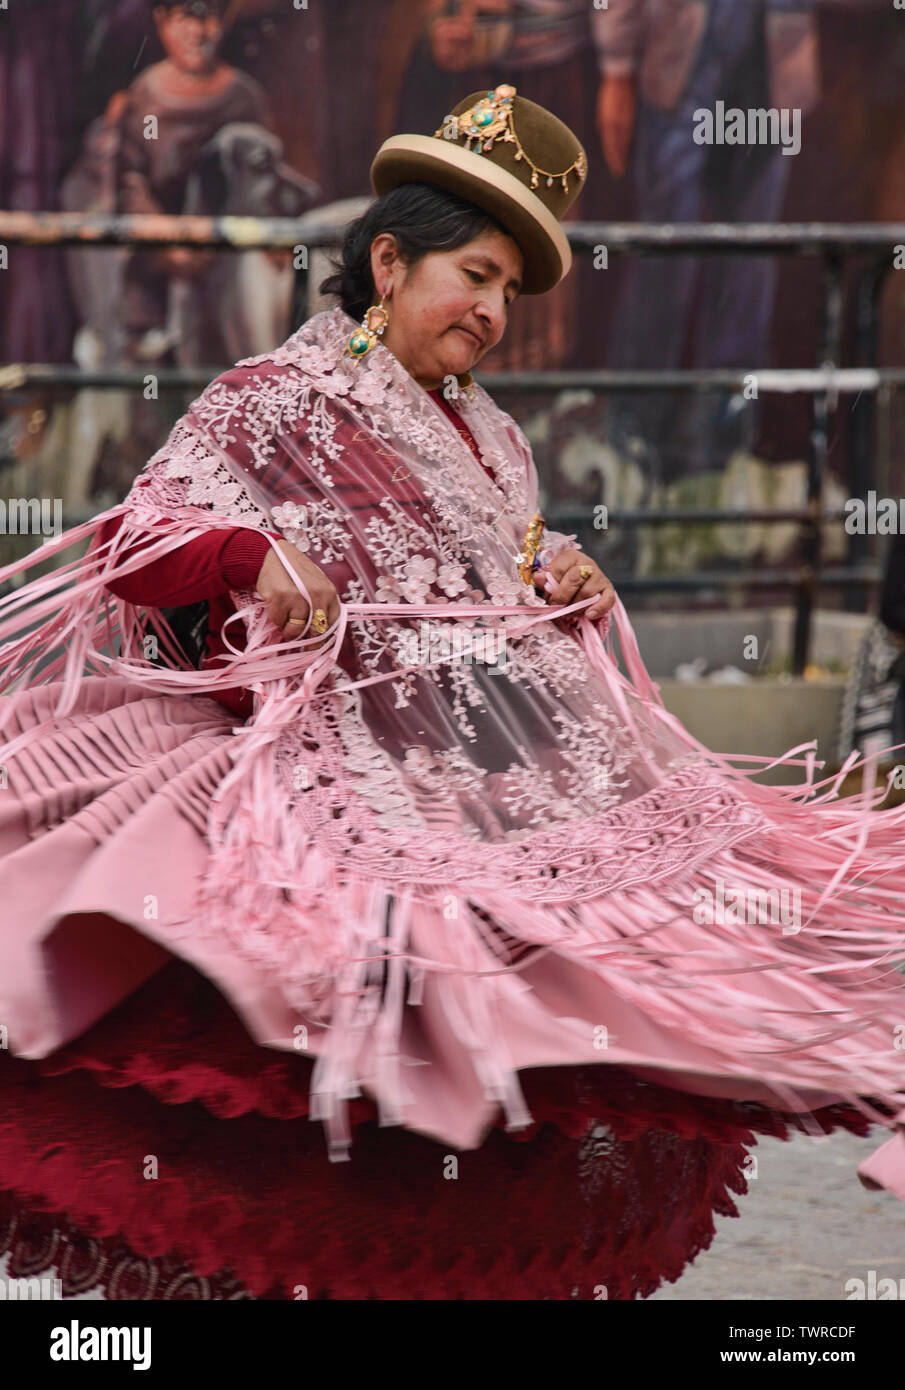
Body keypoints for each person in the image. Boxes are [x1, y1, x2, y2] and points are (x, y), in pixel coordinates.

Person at [2, 84, 905, 1304]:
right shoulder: (271, 401)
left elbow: (494, 593)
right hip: (330, 805)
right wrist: (248, 558)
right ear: (387, 260)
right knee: (316, 1107)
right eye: (471, 275)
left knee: (494, 1092)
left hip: (488, 812)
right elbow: (137, 545)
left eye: (507, 293)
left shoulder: (497, 438)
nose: (488, 311)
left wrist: (565, 584)